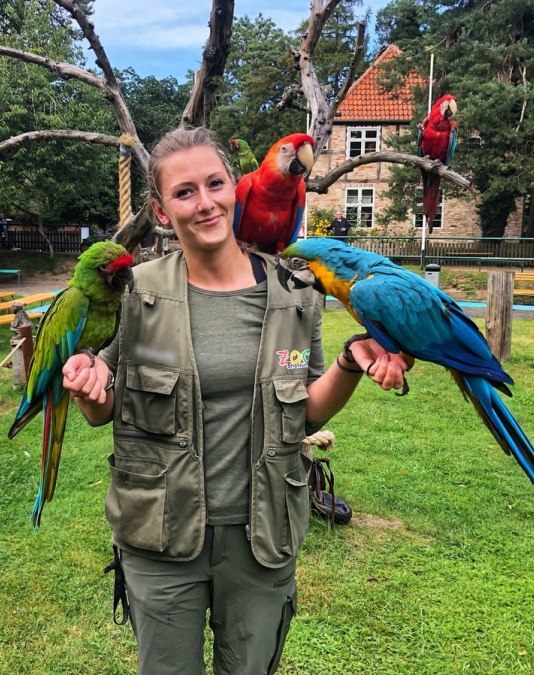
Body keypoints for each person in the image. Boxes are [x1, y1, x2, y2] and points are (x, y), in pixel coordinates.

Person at [61, 127, 408, 674]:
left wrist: (349, 362)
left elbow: (306, 411)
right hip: (159, 532)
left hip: (262, 535)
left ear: (235, 187)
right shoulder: (136, 291)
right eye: (184, 192)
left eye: (215, 183)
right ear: (161, 208)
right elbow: (103, 406)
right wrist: (86, 383)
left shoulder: (295, 295)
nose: (205, 203)